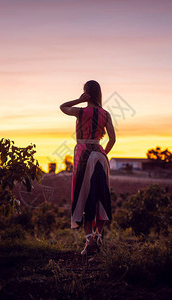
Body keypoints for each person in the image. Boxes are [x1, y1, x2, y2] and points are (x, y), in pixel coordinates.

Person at [60, 80, 116, 255]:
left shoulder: (80, 111)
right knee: (101, 196)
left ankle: (89, 241)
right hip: (100, 155)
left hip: (84, 155)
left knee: (84, 197)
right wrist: (102, 154)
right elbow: (112, 139)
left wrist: (78, 100)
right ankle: (98, 236)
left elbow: (62, 107)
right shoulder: (105, 114)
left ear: (86, 93)